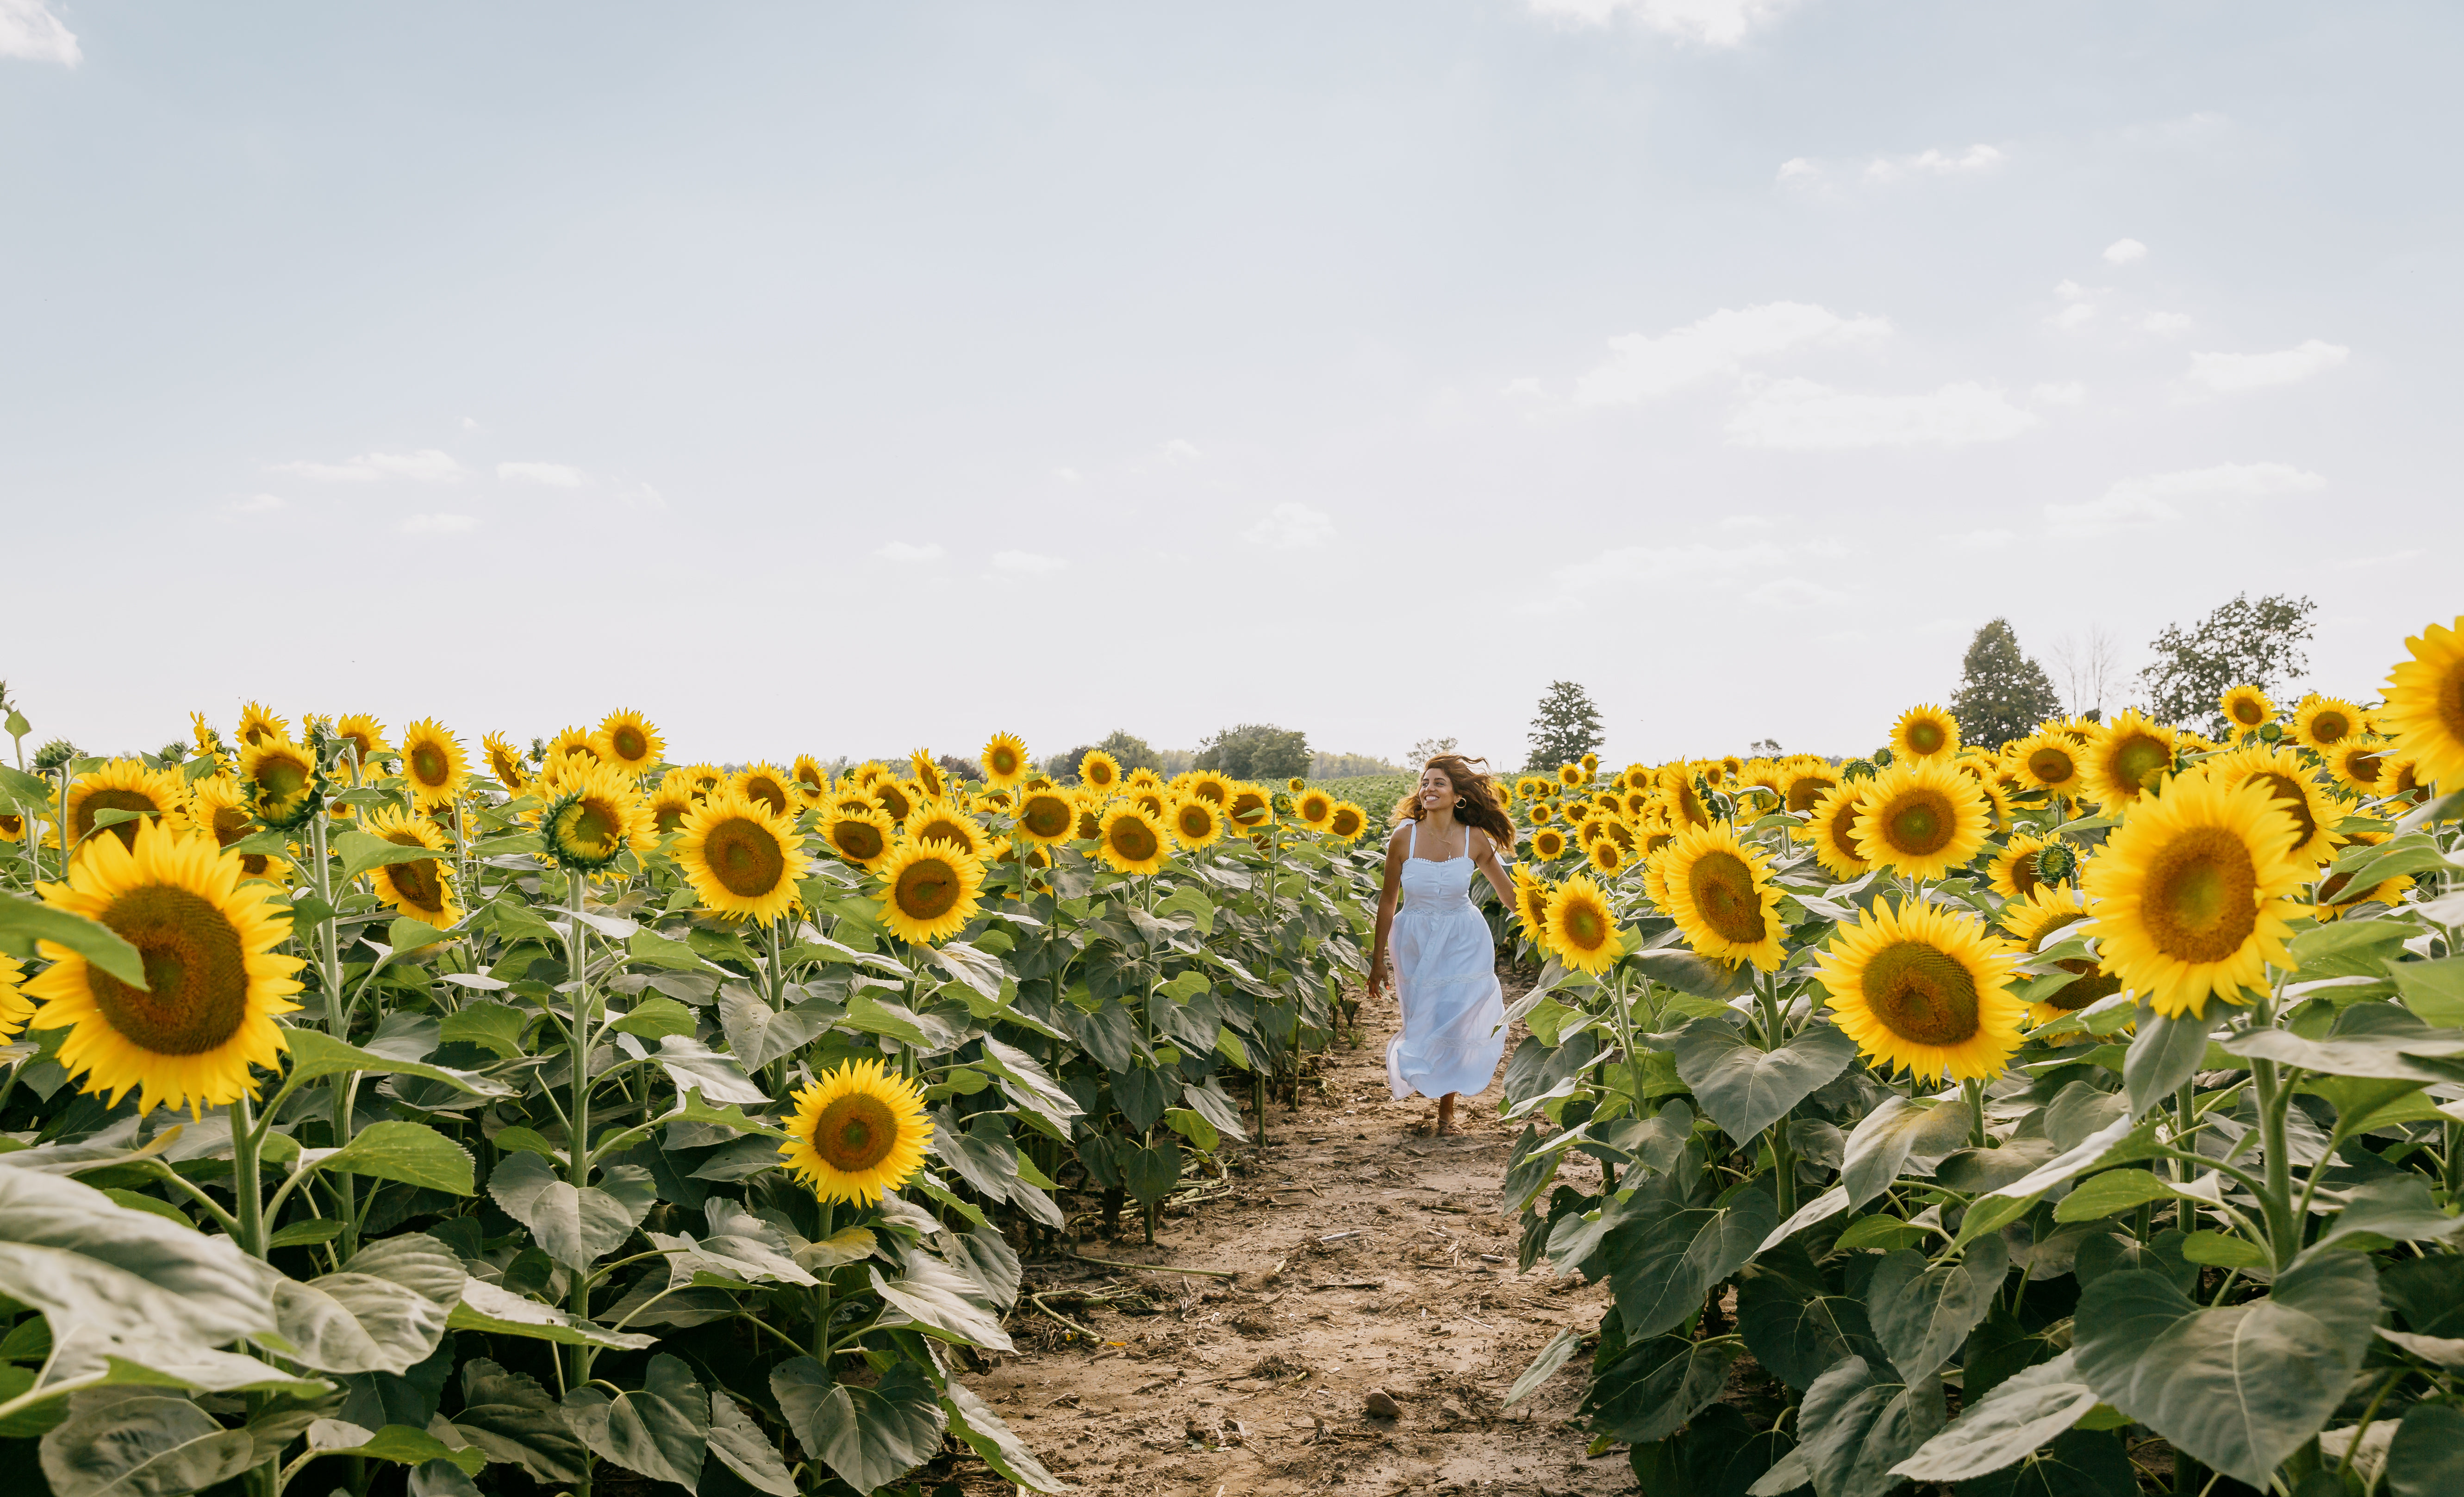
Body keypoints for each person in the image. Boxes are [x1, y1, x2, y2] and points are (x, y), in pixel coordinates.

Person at [1366, 754, 1516, 1136]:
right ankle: (1429, 1080)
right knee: (1426, 1017)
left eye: (1438, 783)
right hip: (1414, 939)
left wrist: (1550, 917)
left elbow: (1508, 894)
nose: (1428, 789)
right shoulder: (1404, 836)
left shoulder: (1474, 839)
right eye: (1425, 783)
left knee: (1457, 1014)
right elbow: (1388, 900)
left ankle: (1446, 1112)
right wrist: (1377, 959)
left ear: (1457, 796)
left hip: (1463, 937)